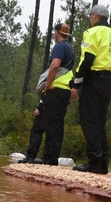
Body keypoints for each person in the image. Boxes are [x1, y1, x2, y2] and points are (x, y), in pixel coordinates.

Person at [71, 4, 111, 174]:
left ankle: (94, 161)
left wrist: (76, 83)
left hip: (94, 78)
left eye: (89, 16)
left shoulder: (91, 33)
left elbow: (87, 59)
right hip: (110, 80)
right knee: (100, 122)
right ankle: (103, 163)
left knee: (87, 119)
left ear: (94, 16)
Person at [22, 23, 74, 165]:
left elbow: (55, 65)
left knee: (53, 124)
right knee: (46, 121)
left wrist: (48, 84)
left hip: (56, 90)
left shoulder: (60, 46)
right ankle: (32, 156)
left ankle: (49, 158)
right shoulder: (70, 48)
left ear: (56, 32)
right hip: (63, 91)